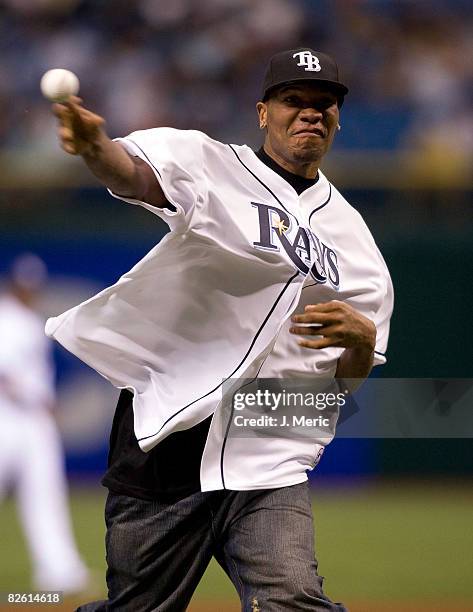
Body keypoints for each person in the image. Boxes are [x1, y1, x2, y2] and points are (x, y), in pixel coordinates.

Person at [48, 48, 393, 611]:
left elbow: (343, 383)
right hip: (168, 436)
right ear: (263, 112)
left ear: (337, 117)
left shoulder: (355, 241)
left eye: (324, 103)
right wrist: (93, 148)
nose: (310, 112)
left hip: (268, 451)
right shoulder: (211, 165)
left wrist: (359, 340)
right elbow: (132, 172)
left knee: (293, 600)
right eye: (293, 100)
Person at [0, 254, 90, 593]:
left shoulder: (26, 319)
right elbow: (4, 373)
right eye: (25, 285)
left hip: (32, 423)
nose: (30, 291)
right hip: (8, 419)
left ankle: (60, 572)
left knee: (45, 496)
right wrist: (37, 399)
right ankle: (59, 570)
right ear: (15, 284)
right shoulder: (6, 318)